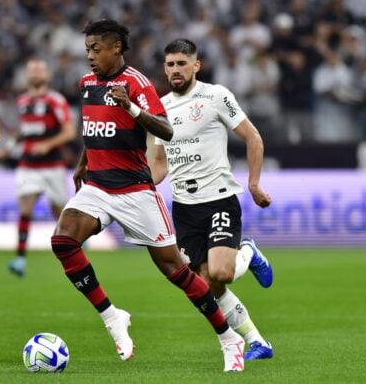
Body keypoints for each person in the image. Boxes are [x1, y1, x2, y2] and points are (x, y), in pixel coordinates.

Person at [50, 19, 245, 372]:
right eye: (87, 50)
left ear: (116, 49)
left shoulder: (137, 85)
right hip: (97, 186)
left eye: (97, 49)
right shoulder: (87, 84)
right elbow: (94, 129)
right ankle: (112, 317)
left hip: (135, 191)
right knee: (63, 241)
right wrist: (82, 163)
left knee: (178, 272)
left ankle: (229, 339)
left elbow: (166, 131)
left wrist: (132, 108)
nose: (90, 56)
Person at [150, 38, 274, 360]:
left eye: (181, 63)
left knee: (221, 273)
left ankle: (248, 251)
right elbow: (159, 164)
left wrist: (255, 183)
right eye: (170, 64)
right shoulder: (158, 110)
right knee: (206, 287)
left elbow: (253, 136)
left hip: (219, 199)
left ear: (196, 65)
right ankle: (258, 342)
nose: (175, 70)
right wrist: (139, 189)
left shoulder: (215, 96)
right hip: (184, 209)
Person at [7, 59, 76, 277]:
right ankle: (19, 259)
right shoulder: (22, 101)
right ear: (27, 75)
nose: (36, 74)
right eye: (32, 70)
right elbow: (23, 130)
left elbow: (69, 132)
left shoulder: (55, 101)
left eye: (40, 70)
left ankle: (73, 252)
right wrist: (9, 146)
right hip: (28, 165)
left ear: (47, 75)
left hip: (53, 166)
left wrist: (47, 145)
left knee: (60, 214)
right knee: (25, 209)